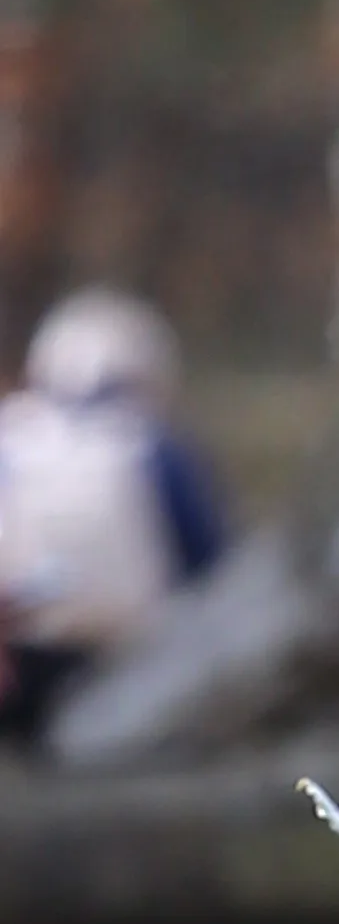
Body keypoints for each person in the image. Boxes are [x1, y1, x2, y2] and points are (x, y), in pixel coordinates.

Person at [0, 287, 226, 737]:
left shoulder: (10, 438)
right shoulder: (157, 446)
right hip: (134, 664)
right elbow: (213, 565)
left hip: (21, 662)